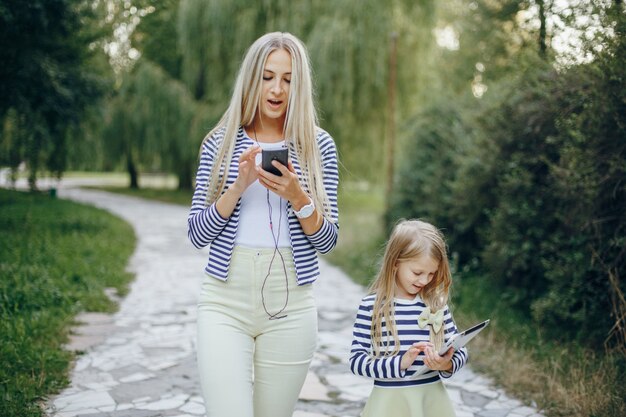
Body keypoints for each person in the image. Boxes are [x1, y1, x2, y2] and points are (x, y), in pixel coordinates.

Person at [187, 32, 339, 417]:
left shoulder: (318, 146)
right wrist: (237, 187)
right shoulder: (219, 144)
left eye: (288, 79)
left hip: (291, 305)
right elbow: (196, 234)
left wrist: (297, 196)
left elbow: (328, 241)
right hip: (225, 300)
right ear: (252, 79)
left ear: (299, 85)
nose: (277, 89)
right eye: (268, 77)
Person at [349, 219, 467, 417]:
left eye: (431, 274)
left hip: (431, 398)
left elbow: (461, 348)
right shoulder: (372, 307)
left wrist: (446, 364)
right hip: (390, 403)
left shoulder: (435, 305)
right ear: (395, 263)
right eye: (417, 272)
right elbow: (357, 362)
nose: (424, 280)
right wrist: (400, 363)